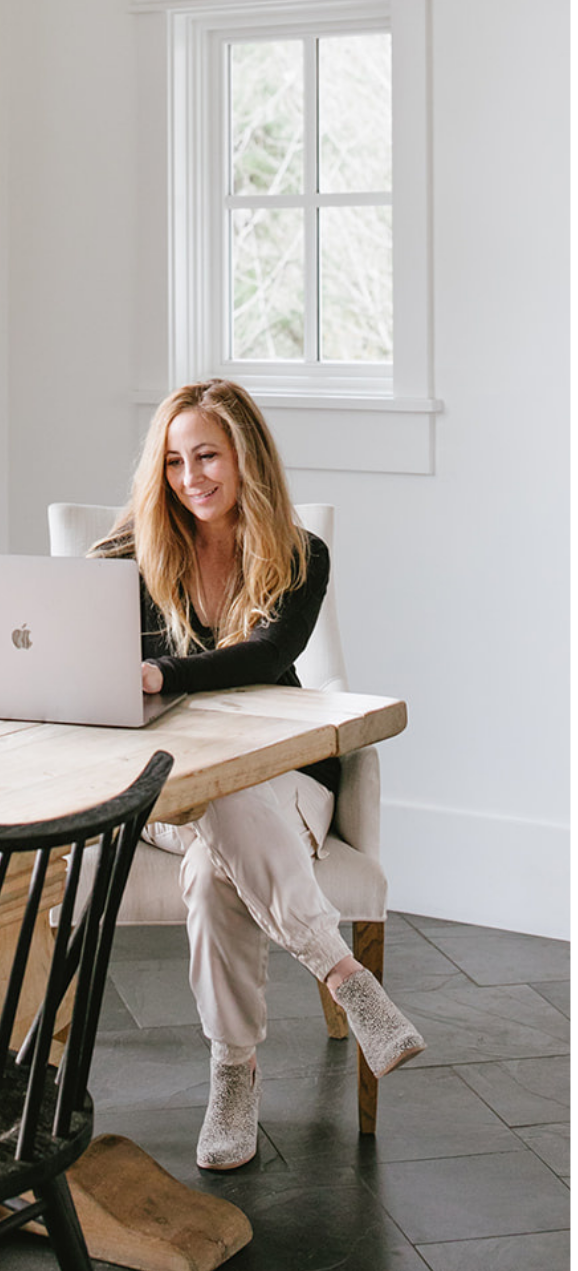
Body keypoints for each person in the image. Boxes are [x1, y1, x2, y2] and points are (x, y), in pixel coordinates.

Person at [91, 379, 425, 1171]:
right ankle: (343, 974)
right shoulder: (127, 556)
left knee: (215, 863)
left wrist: (158, 674)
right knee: (209, 795)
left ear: (246, 456)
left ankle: (232, 1075)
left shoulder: (301, 554)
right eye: (173, 461)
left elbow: (268, 656)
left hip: (283, 781)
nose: (191, 476)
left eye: (206, 454)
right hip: (167, 790)